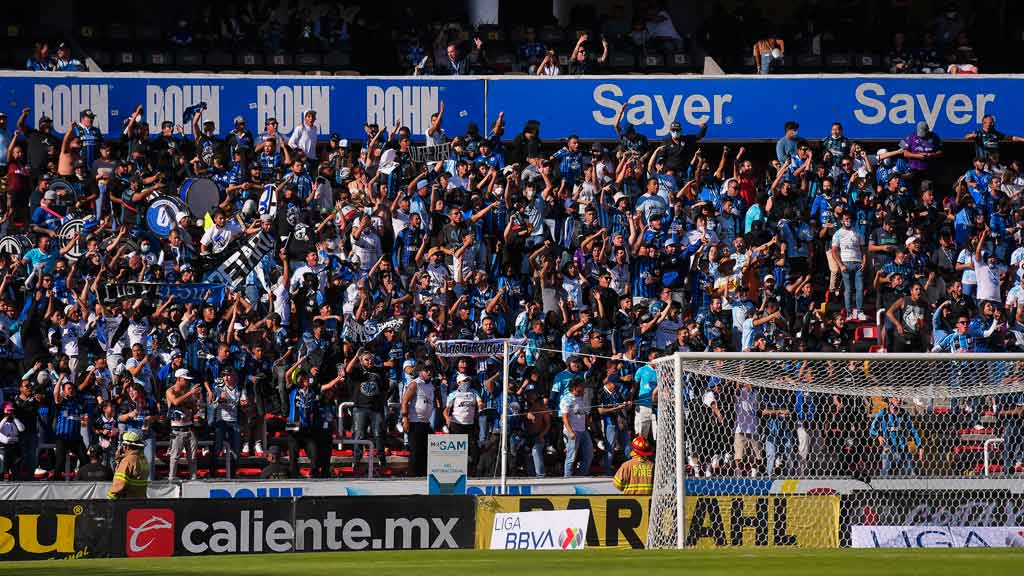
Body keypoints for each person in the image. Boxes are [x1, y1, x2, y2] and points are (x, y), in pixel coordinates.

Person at [401, 362, 440, 477]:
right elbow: (404, 401)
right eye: (426, 370)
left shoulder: (432, 386)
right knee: (416, 450)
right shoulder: (415, 384)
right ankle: (412, 475)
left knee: (427, 450)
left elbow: (437, 403)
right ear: (420, 371)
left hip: (426, 422)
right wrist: (405, 419)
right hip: (414, 421)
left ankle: (423, 474)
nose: (429, 372)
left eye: (430, 370)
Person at [869, 397, 923, 476]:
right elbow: (872, 429)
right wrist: (879, 436)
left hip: (903, 451)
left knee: (912, 475)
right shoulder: (883, 413)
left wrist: (920, 446)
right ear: (890, 399)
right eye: (896, 398)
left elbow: (913, 431)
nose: (899, 400)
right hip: (888, 451)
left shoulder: (904, 414)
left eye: (900, 398)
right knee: (885, 475)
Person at [165, 368, 201, 480]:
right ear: (179, 379)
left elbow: (194, 409)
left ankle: (193, 477)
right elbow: (175, 401)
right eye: (185, 380)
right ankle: (172, 477)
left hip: (189, 427)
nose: (187, 382)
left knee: (193, 456)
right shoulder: (170, 391)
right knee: (175, 456)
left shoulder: (187, 391)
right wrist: (190, 394)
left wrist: (195, 400)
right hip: (177, 429)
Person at [560, 378, 593, 477]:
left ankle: (582, 475)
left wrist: (589, 426)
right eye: (581, 386)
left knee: (589, 454)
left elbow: (585, 414)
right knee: (571, 456)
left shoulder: (583, 397)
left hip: (583, 430)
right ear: (574, 388)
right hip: (573, 431)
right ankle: (567, 477)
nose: (583, 388)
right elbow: (564, 418)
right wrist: (570, 432)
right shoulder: (566, 399)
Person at [107, 430, 149, 499]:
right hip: (141, 501)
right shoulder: (143, 459)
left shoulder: (127, 461)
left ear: (127, 446)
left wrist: (108, 501)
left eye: (123, 445)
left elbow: (119, 484)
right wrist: (118, 461)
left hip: (128, 503)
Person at [0, 402, 23, 479]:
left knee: (15, 465)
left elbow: (21, 429)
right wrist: (5, 418)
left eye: (11, 411)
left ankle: (14, 477)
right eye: (8, 411)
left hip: (14, 446)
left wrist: (15, 418)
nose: (10, 412)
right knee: (5, 464)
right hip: (5, 447)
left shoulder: (14, 421)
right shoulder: (2, 422)